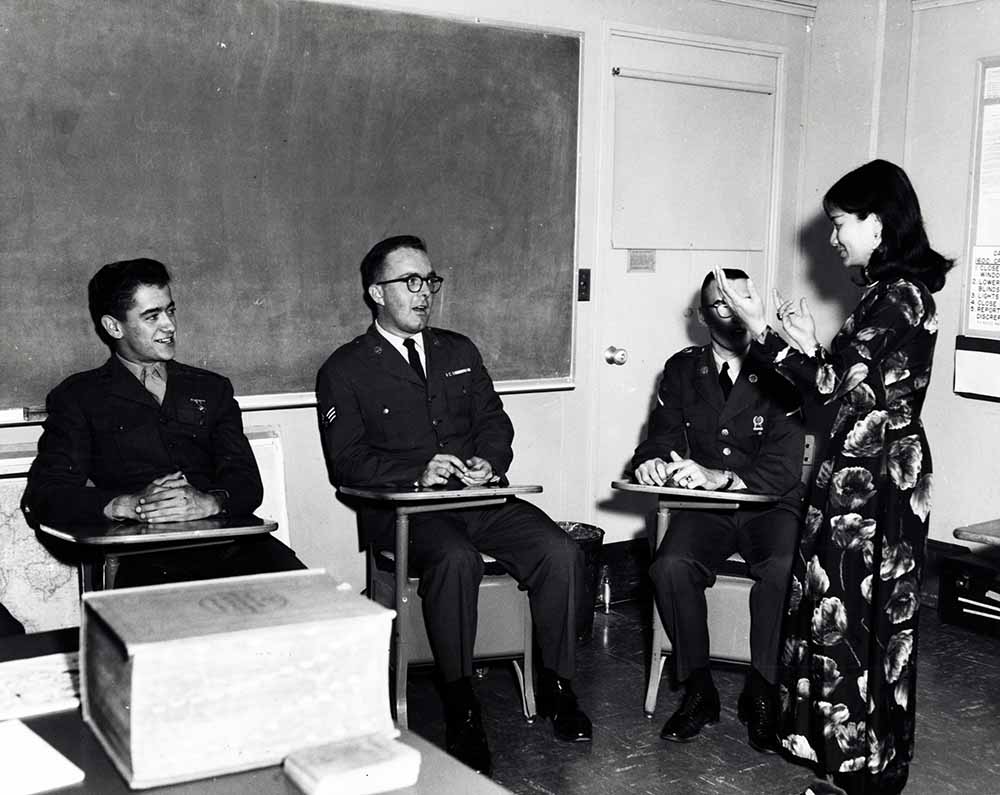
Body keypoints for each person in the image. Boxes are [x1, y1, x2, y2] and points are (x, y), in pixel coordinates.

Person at [715, 159, 952, 795]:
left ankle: (870, 771)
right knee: (855, 616)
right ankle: (860, 768)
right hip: (864, 470)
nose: (834, 236)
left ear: (879, 222)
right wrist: (808, 345)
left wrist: (762, 330)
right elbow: (844, 387)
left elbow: (830, 389)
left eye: (841, 222)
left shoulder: (900, 296)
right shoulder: (887, 293)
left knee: (860, 619)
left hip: (876, 480)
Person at [316, 235, 591, 775]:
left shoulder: (458, 350)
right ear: (376, 293)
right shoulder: (345, 368)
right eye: (409, 282)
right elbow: (347, 463)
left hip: (476, 497)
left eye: (430, 281)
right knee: (455, 559)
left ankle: (558, 684)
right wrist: (415, 474)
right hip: (406, 512)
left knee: (559, 550)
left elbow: (494, 422)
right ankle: (461, 703)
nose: (424, 293)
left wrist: (489, 461)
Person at [22, 258, 305, 586]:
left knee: (315, 601)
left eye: (170, 311)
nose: (169, 325)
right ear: (114, 327)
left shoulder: (212, 388)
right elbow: (45, 495)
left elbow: (246, 482)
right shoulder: (79, 397)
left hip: (233, 545)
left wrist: (210, 502)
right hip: (142, 556)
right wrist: (127, 505)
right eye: (152, 316)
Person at [632, 268, 806, 753]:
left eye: (744, 300)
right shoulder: (683, 369)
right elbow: (661, 436)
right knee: (669, 565)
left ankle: (763, 689)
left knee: (781, 568)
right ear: (704, 316)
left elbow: (784, 464)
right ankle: (699, 689)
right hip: (708, 508)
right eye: (723, 303)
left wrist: (723, 477)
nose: (737, 311)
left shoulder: (782, 366)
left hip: (769, 504)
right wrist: (651, 462)